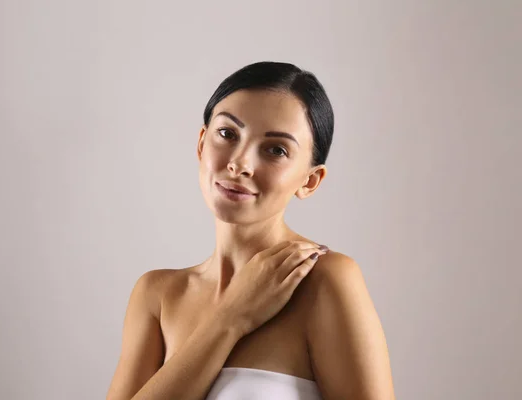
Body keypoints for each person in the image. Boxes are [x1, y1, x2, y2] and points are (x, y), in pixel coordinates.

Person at [106, 61, 395, 400]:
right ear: (201, 143)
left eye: (276, 150)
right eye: (227, 134)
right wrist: (231, 318)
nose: (240, 163)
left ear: (310, 180)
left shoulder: (325, 282)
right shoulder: (156, 296)